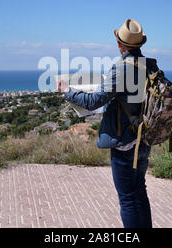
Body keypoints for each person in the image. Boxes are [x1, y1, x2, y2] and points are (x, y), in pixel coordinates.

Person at [57, 18, 157, 228]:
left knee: (128, 199)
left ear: (120, 44)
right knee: (139, 192)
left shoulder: (122, 68)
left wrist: (67, 91)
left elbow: (93, 102)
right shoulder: (149, 65)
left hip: (126, 141)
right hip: (144, 137)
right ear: (140, 44)